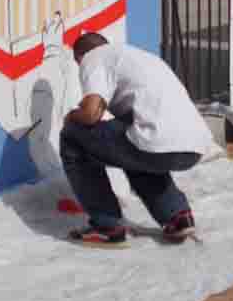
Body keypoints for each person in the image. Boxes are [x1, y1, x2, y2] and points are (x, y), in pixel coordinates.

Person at [60, 32, 215, 248]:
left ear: (80, 57)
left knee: (72, 134)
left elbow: (91, 114)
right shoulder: (139, 57)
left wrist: (72, 115)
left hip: (157, 141)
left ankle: (106, 227)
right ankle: (177, 216)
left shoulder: (93, 58)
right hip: (195, 146)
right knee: (132, 145)